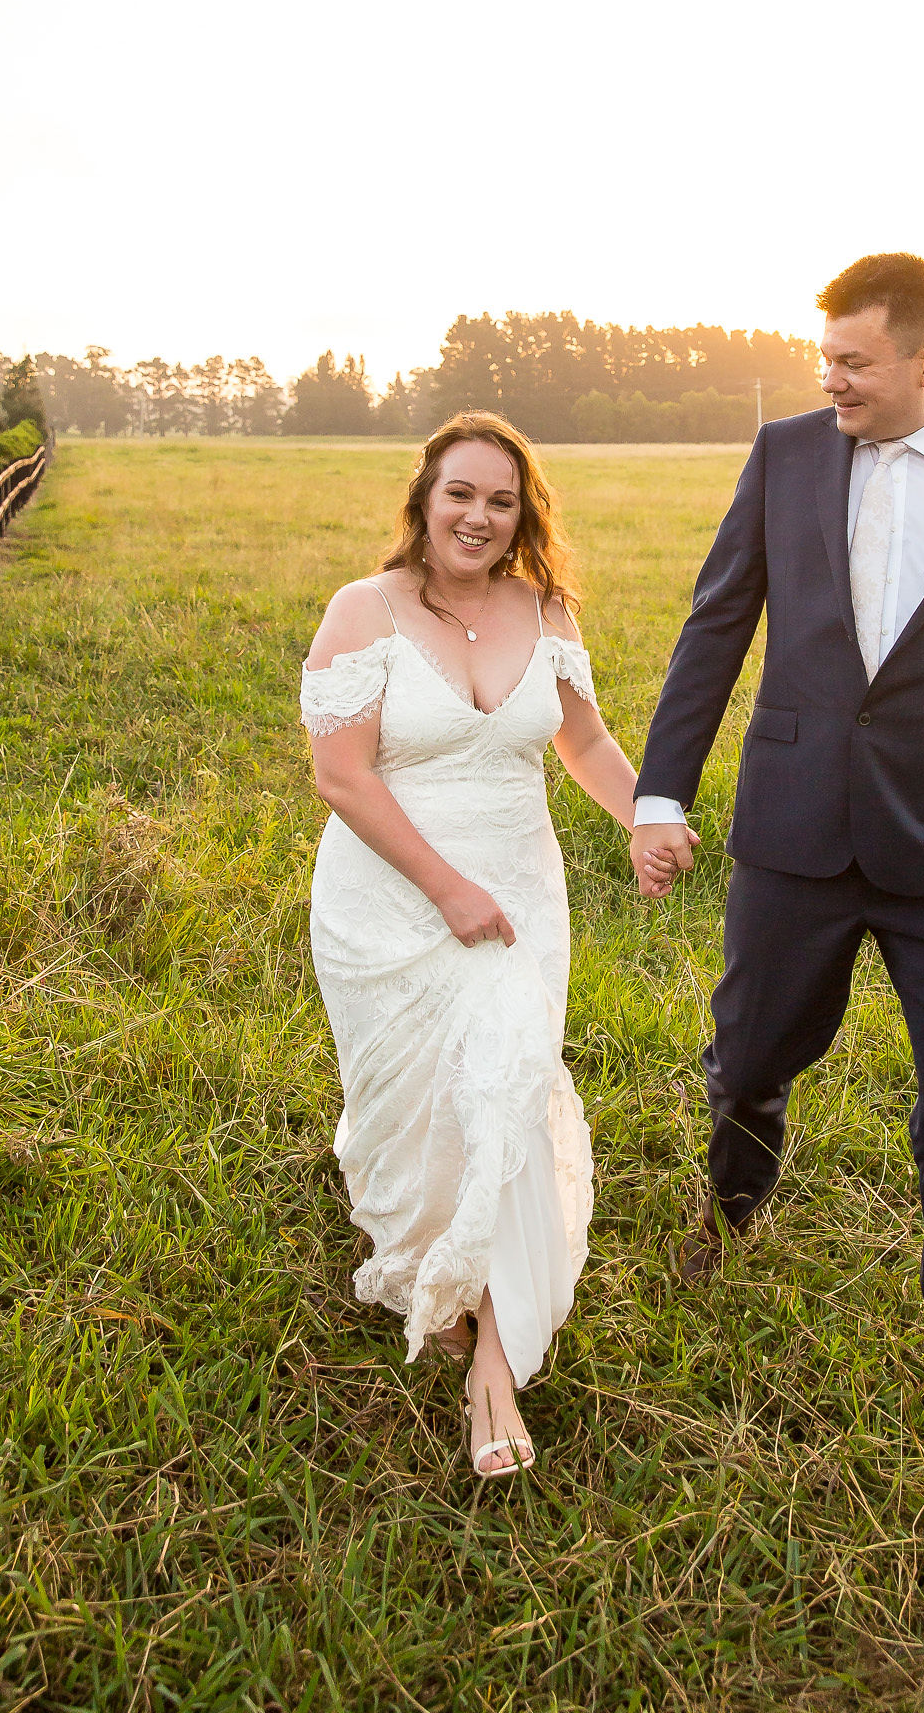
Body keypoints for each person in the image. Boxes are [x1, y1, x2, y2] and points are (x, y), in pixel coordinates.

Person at [629, 253, 924, 1486]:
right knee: (750, 1052)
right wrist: (662, 787)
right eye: (823, 356)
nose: (828, 378)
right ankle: (734, 1200)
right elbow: (718, 618)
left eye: (853, 360)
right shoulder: (786, 453)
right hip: (793, 829)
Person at [302, 411, 675, 1479]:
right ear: (424, 496)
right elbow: (343, 776)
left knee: (510, 1081)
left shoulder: (542, 607)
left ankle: (496, 1365)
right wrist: (445, 886)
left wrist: (644, 817)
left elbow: (585, 739)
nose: (478, 515)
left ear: (524, 514)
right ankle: (433, 1256)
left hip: (519, 889)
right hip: (391, 895)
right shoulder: (361, 611)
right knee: (415, 1107)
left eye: (501, 500)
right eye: (460, 492)